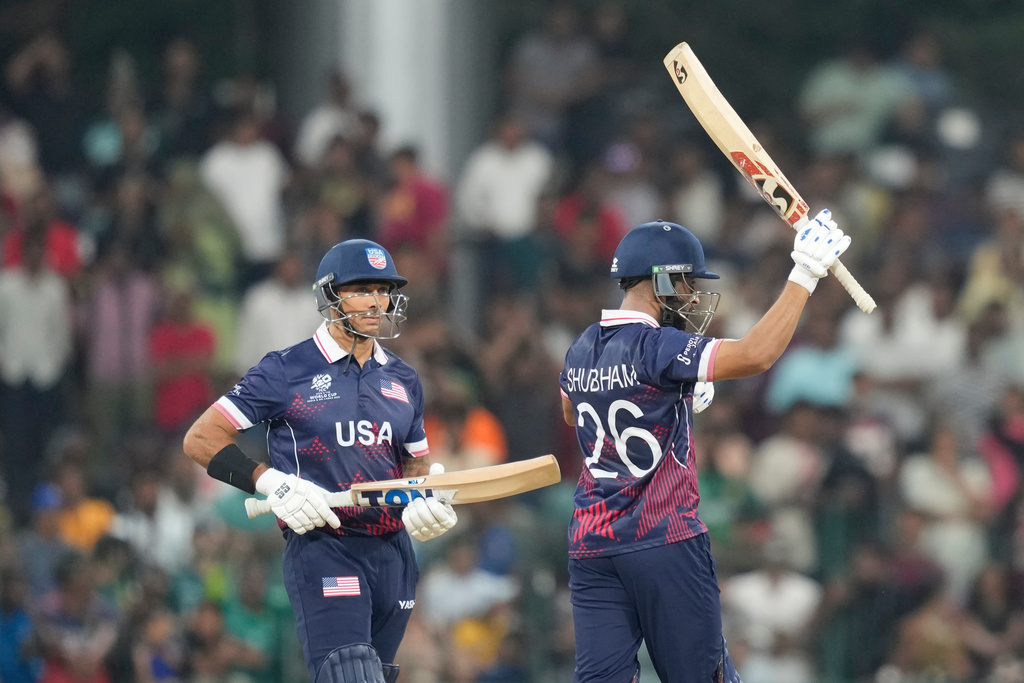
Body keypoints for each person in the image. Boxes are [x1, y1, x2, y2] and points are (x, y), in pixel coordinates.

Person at [558, 211, 852, 683]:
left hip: (592, 545)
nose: (694, 295)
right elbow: (756, 354)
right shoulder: (659, 346)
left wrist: (671, 396)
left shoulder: (582, 346)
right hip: (664, 540)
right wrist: (804, 275)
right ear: (661, 282)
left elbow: (572, 411)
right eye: (687, 283)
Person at [182, 238, 459, 683]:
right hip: (326, 546)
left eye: (383, 289)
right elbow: (200, 438)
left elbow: (414, 466)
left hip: (393, 555)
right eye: (362, 288)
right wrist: (274, 483)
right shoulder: (286, 369)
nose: (376, 301)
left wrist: (424, 502)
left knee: (380, 676)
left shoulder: (404, 378)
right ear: (330, 295)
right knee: (349, 675)